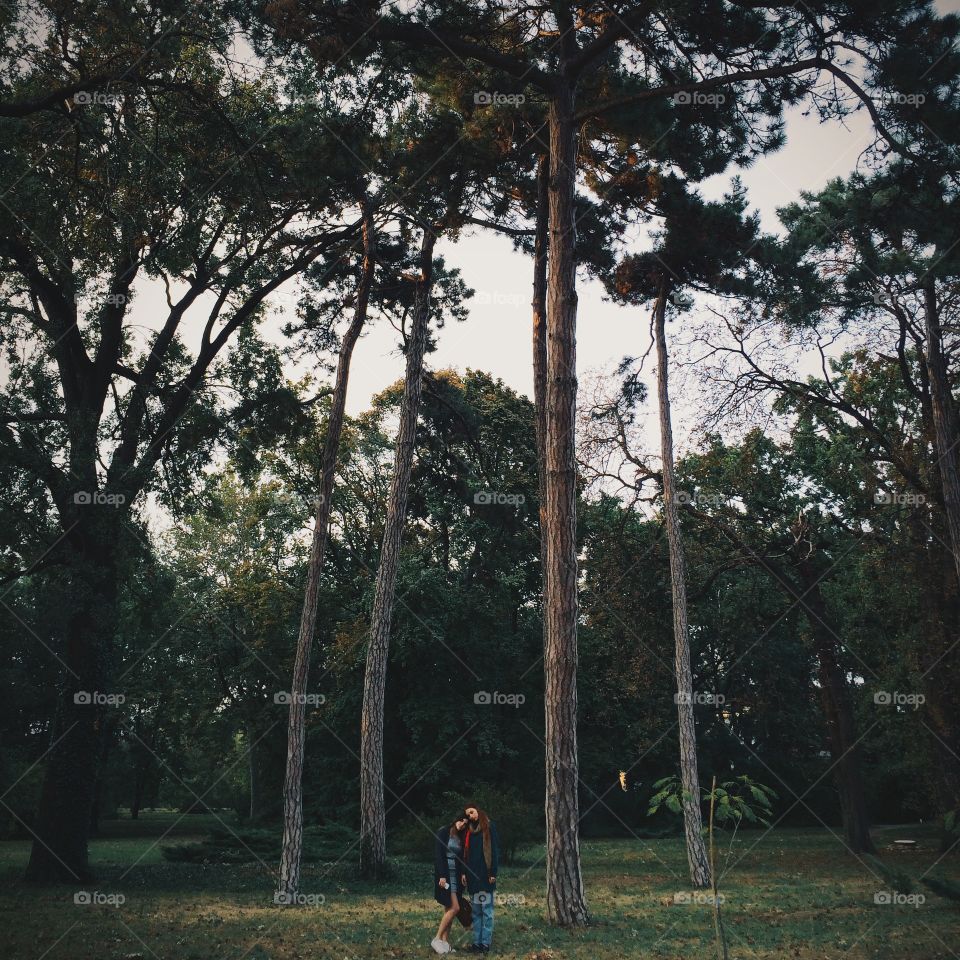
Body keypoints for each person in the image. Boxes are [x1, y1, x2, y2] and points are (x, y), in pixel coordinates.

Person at [460, 805, 499, 953]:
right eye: (467, 814)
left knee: (487, 911)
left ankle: (485, 944)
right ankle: (476, 944)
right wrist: (463, 873)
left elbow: (494, 850)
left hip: (485, 875)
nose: (470, 815)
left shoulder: (489, 827)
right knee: (476, 912)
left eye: (472, 811)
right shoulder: (468, 831)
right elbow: (465, 854)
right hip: (472, 876)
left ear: (478, 810)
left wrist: (493, 872)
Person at [432, 815, 469, 954]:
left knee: (449, 910)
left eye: (465, 824)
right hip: (445, 875)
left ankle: (445, 943)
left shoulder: (461, 837)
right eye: (461, 821)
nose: (462, 825)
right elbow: (439, 855)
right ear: (455, 819)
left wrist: (464, 873)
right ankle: (437, 938)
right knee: (455, 908)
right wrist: (441, 875)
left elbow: (462, 858)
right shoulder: (444, 831)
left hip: (456, 876)